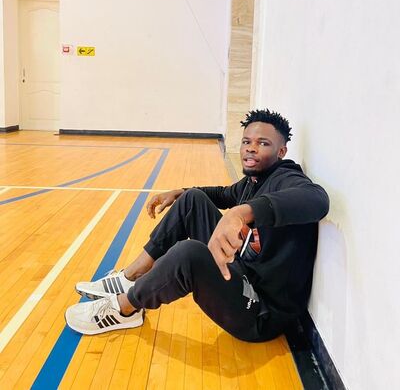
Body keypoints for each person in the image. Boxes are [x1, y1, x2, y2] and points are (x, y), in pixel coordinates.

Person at [65, 109, 329, 342]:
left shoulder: (286, 178)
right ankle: (130, 277)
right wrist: (180, 192)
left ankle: (125, 309)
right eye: (247, 141)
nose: (251, 148)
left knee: (190, 253)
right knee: (192, 199)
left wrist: (241, 212)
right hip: (242, 269)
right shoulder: (255, 180)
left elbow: (317, 199)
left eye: (263, 143)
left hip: (261, 311)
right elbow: (224, 194)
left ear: (281, 152)